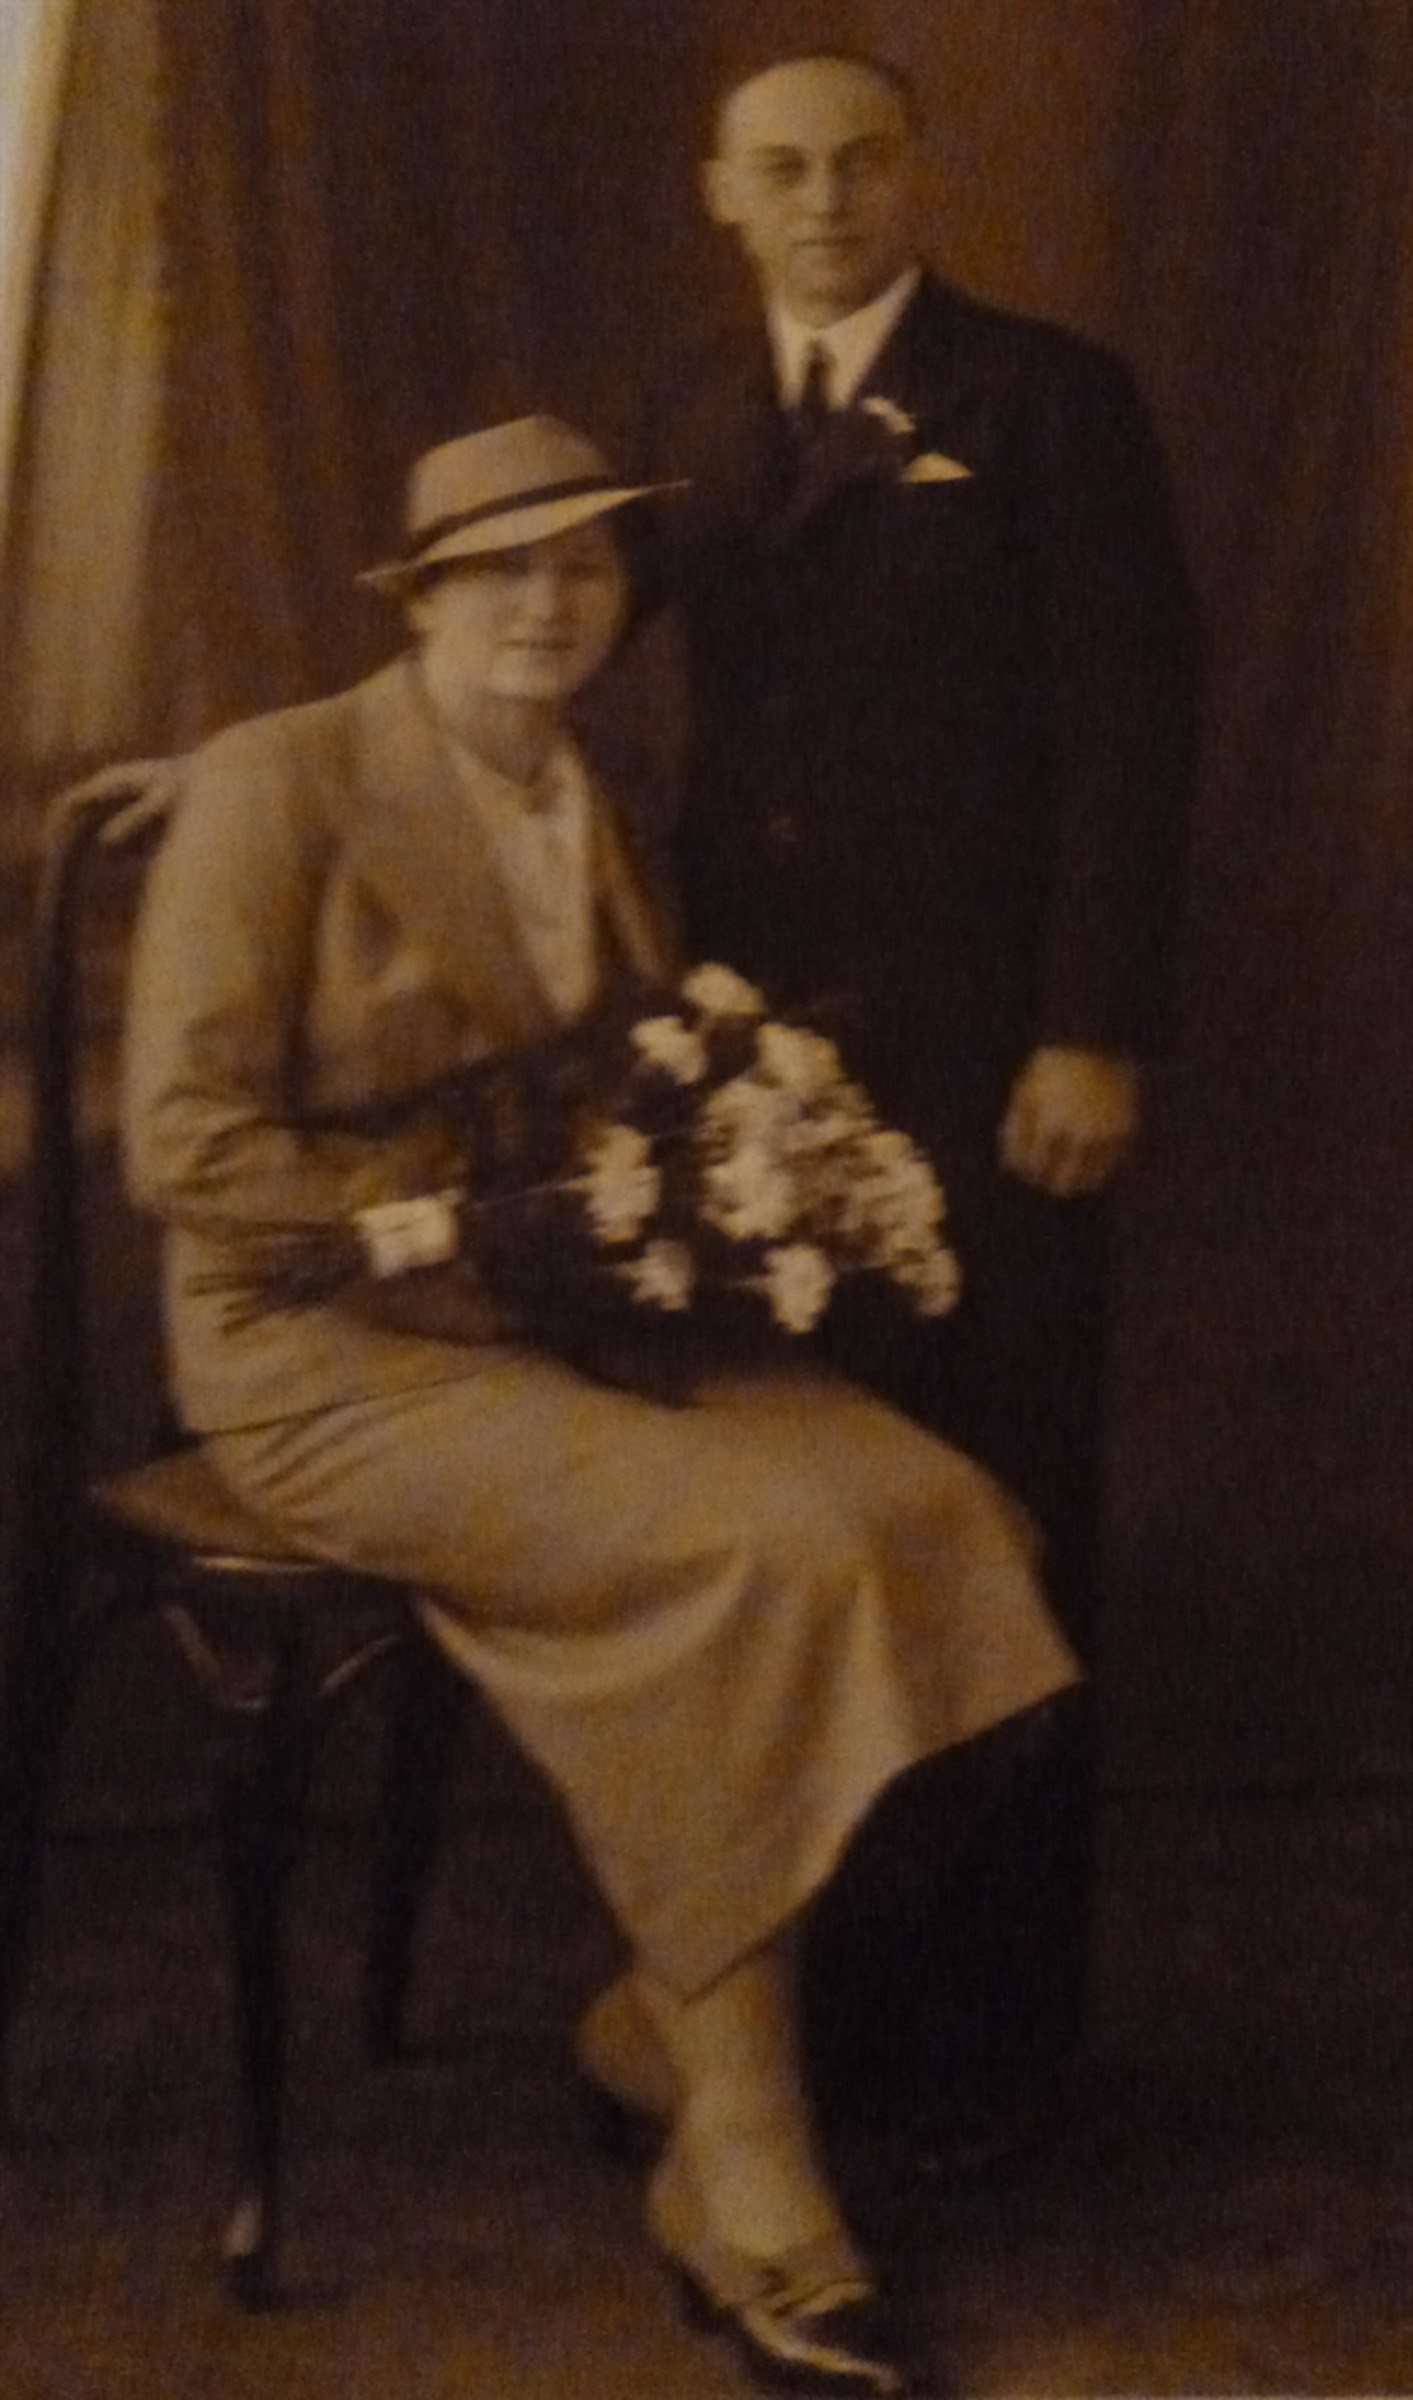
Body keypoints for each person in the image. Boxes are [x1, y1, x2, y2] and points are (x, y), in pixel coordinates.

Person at [122, 414, 1079, 2397]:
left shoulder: (605, 792)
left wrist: (697, 1194)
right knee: (761, 1554)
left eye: (582, 566)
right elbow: (186, 1145)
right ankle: (743, 2164)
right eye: (499, 567)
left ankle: (658, 2016)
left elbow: (636, 1079)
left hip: (559, 1313)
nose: (544, 602)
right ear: (418, 599)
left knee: (951, 1525)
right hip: (327, 1351)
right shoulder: (282, 779)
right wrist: (458, 1206)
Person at [638, 49, 1200, 2147]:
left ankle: (993, 2052)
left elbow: (1134, 724)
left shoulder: (1044, 400)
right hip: (751, 1077)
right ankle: (809, 2032)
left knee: (999, 1511)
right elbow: (547, 636)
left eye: (860, 162)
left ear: (917, 178)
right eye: (780, 168)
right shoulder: (695, 410)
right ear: (722, 191)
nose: (824, 200)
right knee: (804, 1528)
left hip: (990, 1063)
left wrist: (1090, 1030)